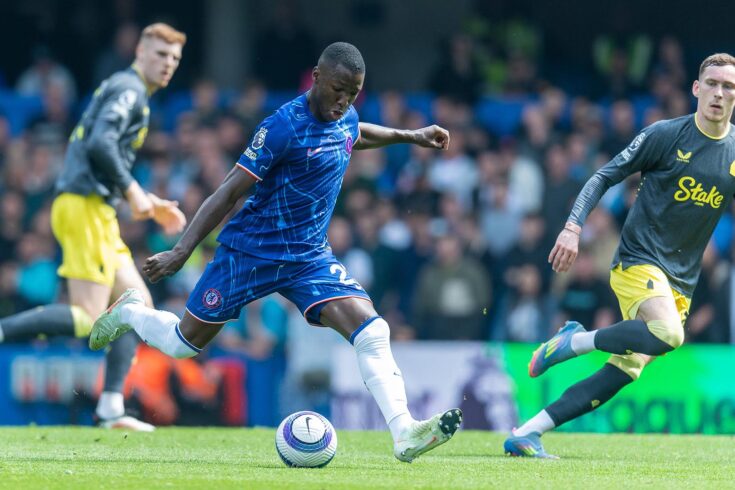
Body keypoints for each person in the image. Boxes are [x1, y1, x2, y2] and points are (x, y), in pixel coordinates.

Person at [90, 42, 462, 461]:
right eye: (338, 89)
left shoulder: (345, 115)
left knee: (373, 331)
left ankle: (405, 432)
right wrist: (181, 251)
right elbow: (228, 191)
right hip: (250, 252)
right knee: (182, 345)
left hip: (307, 257)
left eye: (353, 93)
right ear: (317, 77)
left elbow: (356, 133)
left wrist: (411, 136)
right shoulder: (283, 126)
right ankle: (131, 312)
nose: (344, 101)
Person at [504, 53, 735, 458]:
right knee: (669, 334)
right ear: (696, 89)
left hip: (682, 280)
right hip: (638, 260)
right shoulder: (666, 135)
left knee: (626, 369)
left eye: (728, 86)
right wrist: (573, 227)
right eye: (712, 84)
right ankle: (575, 341)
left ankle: (527, 432)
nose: (719, 93)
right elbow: (603, 175)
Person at [0, 23, 187, 431]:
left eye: (174, 58)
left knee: (136, 306)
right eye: (160, 54)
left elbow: (100, 150)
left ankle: (110, 407)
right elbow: (101, 142)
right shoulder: (129, 88)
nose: (167, 64)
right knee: (89, 316)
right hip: (84, 206)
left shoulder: (129, 91)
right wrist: (134, 192)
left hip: (94, 209)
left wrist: (147, 200)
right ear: (139, 51)